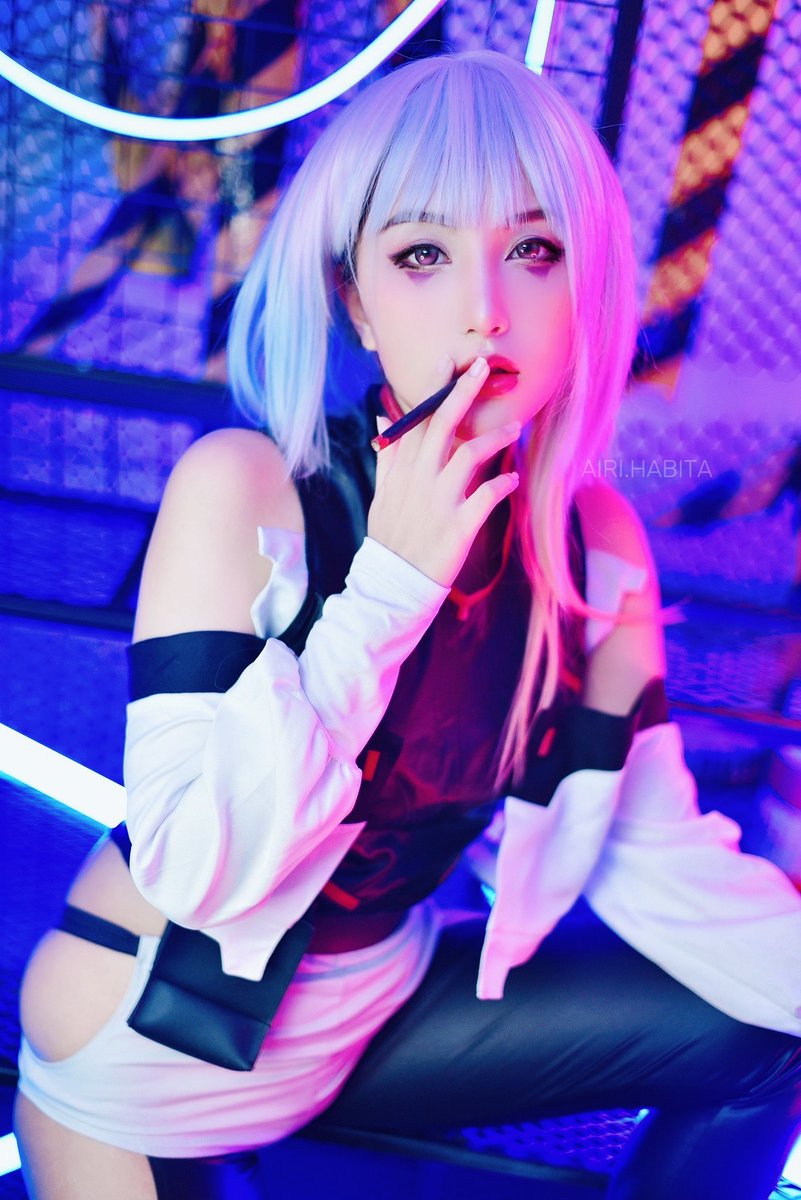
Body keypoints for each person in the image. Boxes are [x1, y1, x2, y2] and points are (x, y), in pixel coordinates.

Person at [13, 49, 801, 1200]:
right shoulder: (249, 487)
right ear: (357, 301)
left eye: (534, 252)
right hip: (151, 1046)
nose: (485, 311)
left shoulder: (594, 543)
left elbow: (656, 858)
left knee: (766, 1029)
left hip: (380, 1009)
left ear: (582, 288)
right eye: (423, 255)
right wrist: (391, 583)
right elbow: (195, 870)